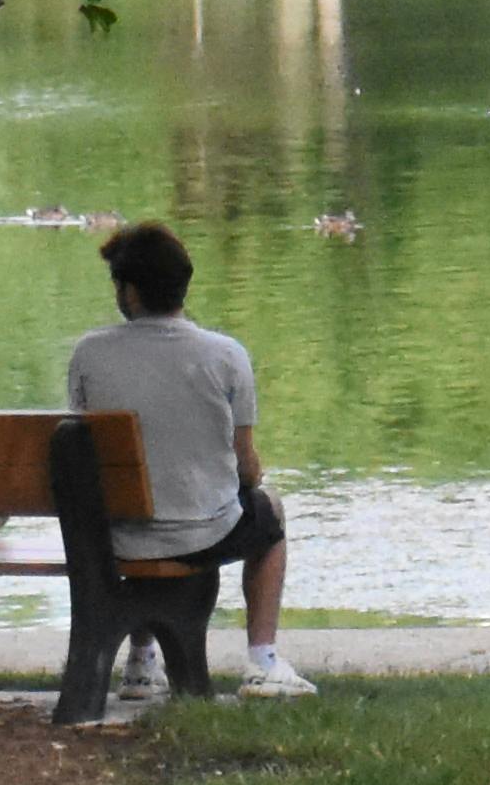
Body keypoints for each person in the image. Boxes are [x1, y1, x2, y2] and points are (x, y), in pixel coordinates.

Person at [60, 221, 315, 702]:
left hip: (113, 538)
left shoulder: (89, 353)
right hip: (202, 536)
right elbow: (247, 469)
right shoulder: (225, 355)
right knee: (269, 512)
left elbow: (80, 447)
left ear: (130, 292)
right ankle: (263, 661)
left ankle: (140, 662)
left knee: (137, 498)